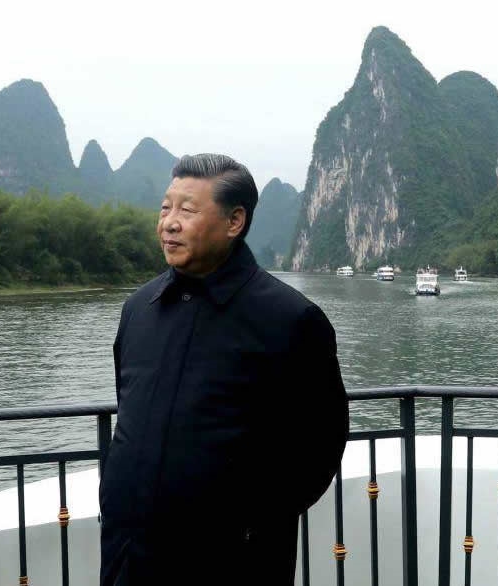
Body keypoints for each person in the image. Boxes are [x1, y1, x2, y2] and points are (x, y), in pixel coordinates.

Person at [99, 153, 349, 585]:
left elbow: (320, 446)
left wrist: (249, 527)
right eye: (165, 208)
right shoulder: (139, 309)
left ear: (235, 221)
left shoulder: (290, 320)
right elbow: (130, 411)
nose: (169, 223)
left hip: (232, 564)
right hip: (128, 558)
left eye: (187, 210)